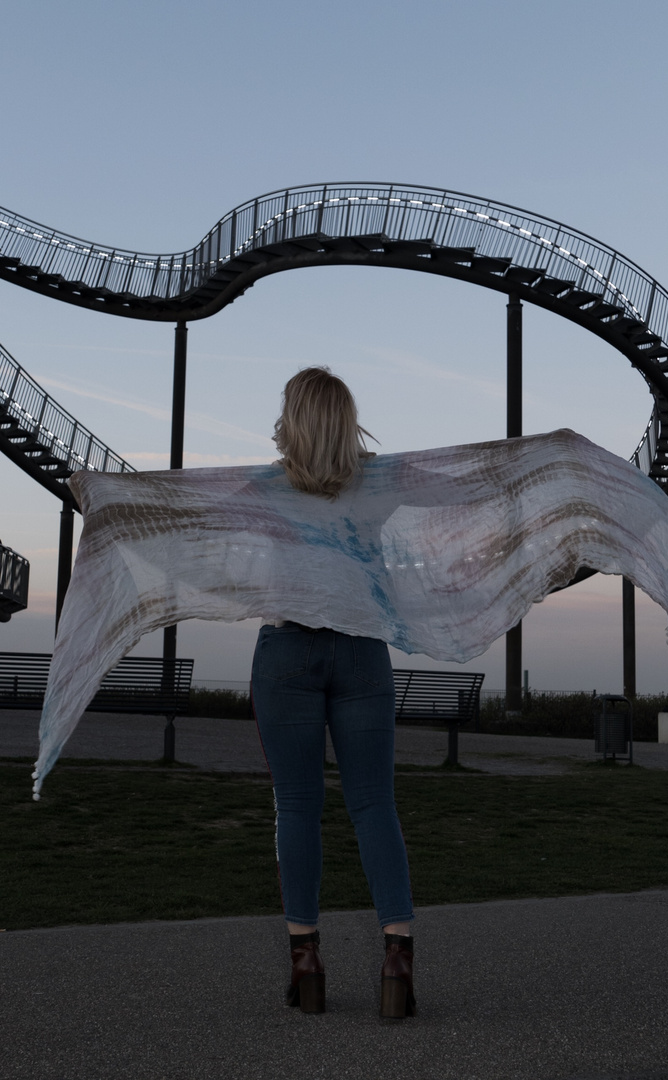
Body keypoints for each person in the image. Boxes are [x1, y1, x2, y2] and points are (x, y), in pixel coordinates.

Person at [250, 367, 416, 1019]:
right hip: (362, 653)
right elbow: (470, 481)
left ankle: (306, 963)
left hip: (286, 650)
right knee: (374, 804)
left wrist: (103, 494)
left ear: (290, 419)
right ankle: (397, 961)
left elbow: (182, 510)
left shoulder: (264, 485)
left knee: (296, 806)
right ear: (348, 420)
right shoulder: (379, 483)